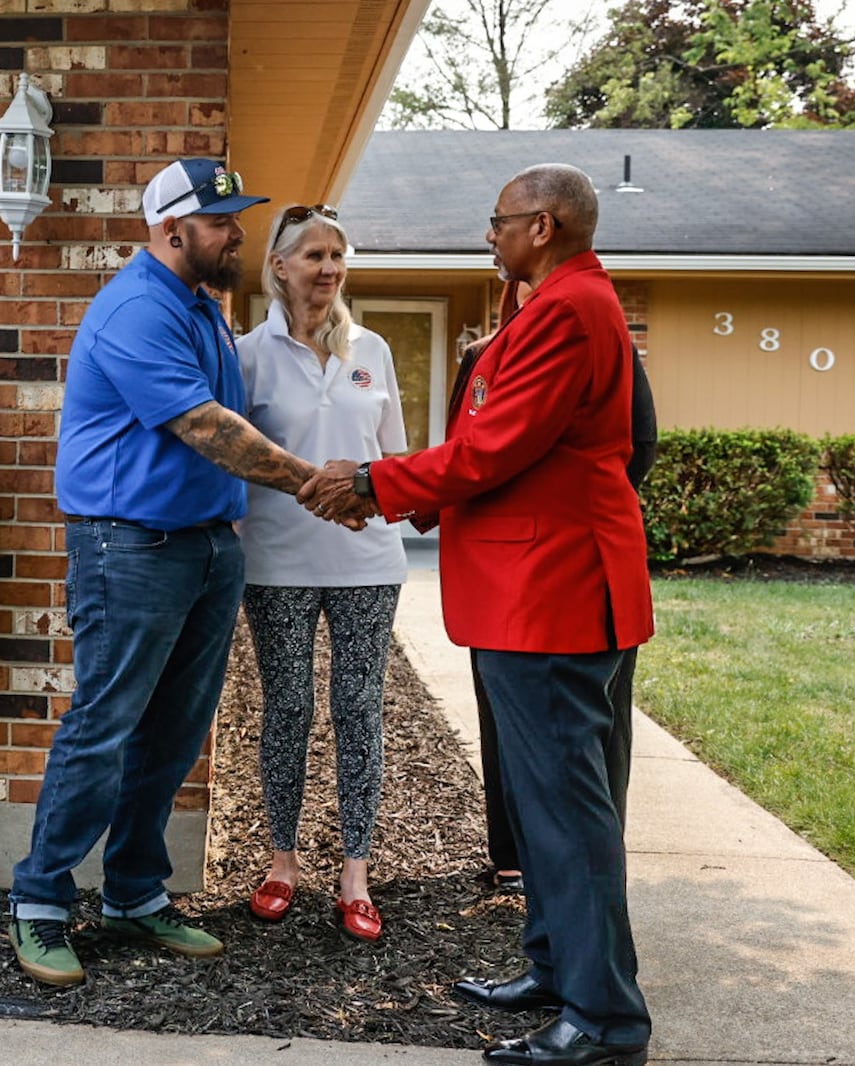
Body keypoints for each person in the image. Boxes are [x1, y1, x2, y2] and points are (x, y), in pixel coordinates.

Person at [301, 165, 653, 1066]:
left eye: (498, 223)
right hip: (536, 591)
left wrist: (374, 483)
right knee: (541, 808)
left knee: (568, 813)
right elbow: (491, 445)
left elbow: (494, 448)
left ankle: (605, 1021)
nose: (488, 236)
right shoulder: (551, 303)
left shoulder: (570, 312)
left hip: (554, 593)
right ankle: (554, 969)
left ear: (542, 225)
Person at [7, 159, 352, 988]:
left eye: (236, 218)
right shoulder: (135, 309)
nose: (237, 233)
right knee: (104, 727)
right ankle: (40, 902)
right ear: (172, 231)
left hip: (204, 546)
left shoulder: (200, 306)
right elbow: (207, 427)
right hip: (130, 548)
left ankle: (132, 892)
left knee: (173, 735)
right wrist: (315, 483)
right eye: (222, 221)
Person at [234, 205, 407, 941]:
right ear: (279, 266)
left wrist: (373, 496)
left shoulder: (373, 349)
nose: (328, 268)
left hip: (368, 563)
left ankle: (356, 874)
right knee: (289, 709)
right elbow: (233, 463)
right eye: (313, 255)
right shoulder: (247, 355)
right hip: (277, 565)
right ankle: (282, 863)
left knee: (359, 709)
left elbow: (393, 460)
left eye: (337, 254)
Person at [470, 283, 659, 896]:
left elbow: (639, 443)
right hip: (498, 580)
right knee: (507, 730)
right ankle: (514, 854)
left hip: (573, 573)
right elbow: (465, 452)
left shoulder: (597, 335)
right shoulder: (484, 355)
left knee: (592, 742)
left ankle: (591, 873)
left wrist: (570, 512)